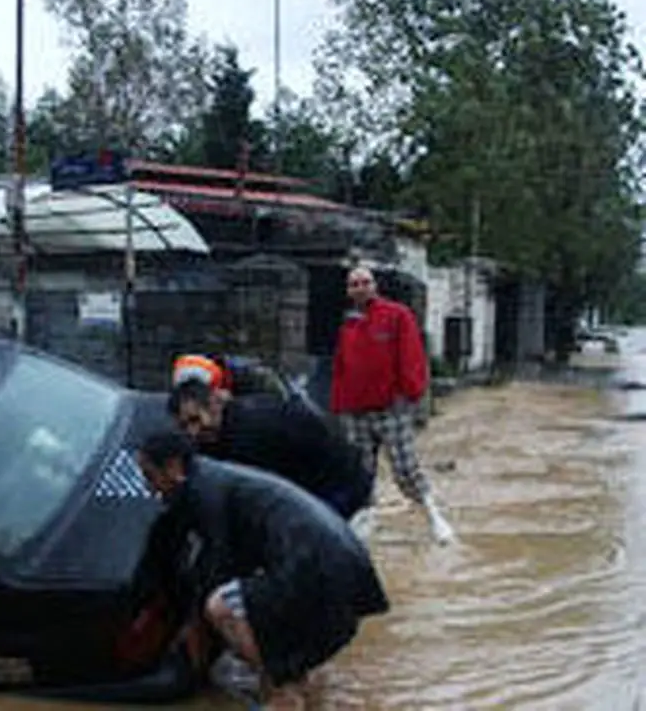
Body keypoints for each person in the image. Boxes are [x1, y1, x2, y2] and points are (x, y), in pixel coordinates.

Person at [136, 430, 390, 705]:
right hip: (343, 562)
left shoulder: (204, 491)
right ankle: (294, 683)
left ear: (173, 467)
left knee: (221, 607)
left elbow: (219, 565)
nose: (150, 488)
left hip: (317, 566)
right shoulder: (215, 477)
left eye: (150, 476)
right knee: (256, 611)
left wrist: (194, 625)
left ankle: (281, 689)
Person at [330, 266, 456, 545]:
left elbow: (411, 356)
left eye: (365, 282)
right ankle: (366, 522)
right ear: (348, 291)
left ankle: (435, 517)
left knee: (404, 467)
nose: (360, 288)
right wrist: (338, 404)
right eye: (354, 284)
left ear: (374, 286)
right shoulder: (348, 324)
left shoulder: (396, 315)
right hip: (354, 409)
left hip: (390, 406)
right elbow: (341, 366)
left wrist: (413, 396)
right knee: (359, 470)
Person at [167, 378, 374, 524]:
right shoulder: (214, 439)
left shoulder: (252, 431)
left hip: (338, 486)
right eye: (184, 426)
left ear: (214, 406)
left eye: (195, 420)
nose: (192, 432)